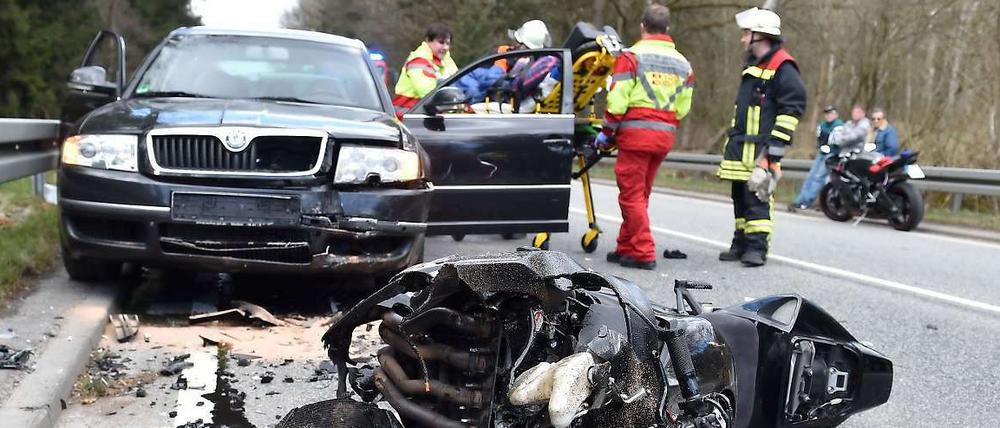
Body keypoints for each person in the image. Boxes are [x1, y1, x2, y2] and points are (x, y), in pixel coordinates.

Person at [598, 4, 694, 270]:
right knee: (640, 194)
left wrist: (607, 133)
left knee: (631, 195)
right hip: (664, 137)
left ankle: (642, 251)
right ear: (667, 28)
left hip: (635, 136)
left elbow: (617, 102)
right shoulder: (684, 64)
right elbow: (683, 108)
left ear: (643, 27)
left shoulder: (631, 57)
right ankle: (626, 246)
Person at [716, 7, 806, 267]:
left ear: (760, 35)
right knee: (739, 198)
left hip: (760, 150)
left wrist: (774, 149)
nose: (743, 38)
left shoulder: (783, 66)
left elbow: (792, 109)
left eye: (747, 33)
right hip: (740, 148)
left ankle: (756, 248)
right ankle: (740, 242)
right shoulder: (754, 65)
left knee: (757, 199)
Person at [392, 23, 458, 114]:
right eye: (441, 42)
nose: (445, 47)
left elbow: (458, 82)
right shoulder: (419, 60)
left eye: (448, 43)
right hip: (406, 113)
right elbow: (426, 92)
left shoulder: (446, 60)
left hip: (427, 113)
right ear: (428, 40)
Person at [790, 105, 843, 211]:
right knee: (811, 176)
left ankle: (807, 201)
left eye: (830, 113)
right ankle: (800, 200)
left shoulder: (839, 126)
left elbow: (838, 142)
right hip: (822, 153)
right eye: (826, 114)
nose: (828, 116)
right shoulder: (822, 125)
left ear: (835, 114)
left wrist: (829, 148)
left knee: (819, 178)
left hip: (832, 155)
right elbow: (819, 140)